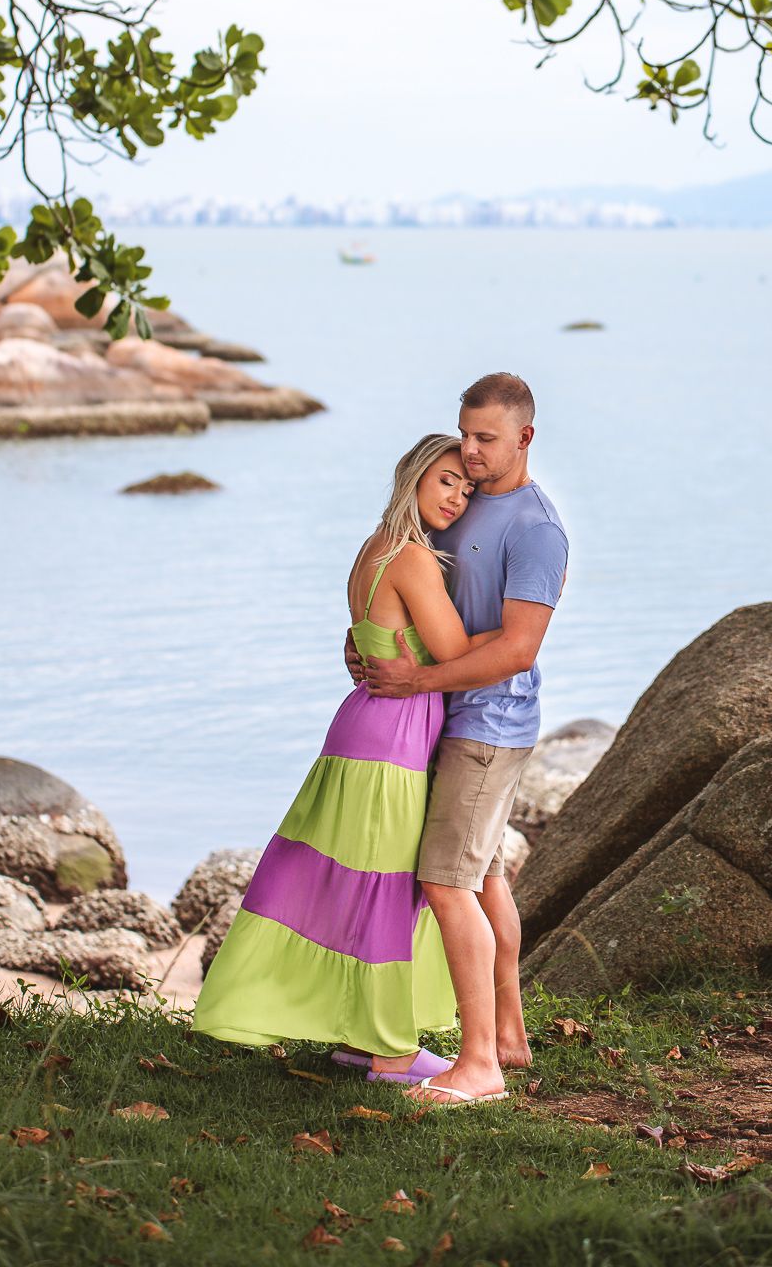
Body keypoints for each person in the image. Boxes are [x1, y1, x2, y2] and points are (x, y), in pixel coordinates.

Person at [193, 434, 498, 1081]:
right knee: (385, 888)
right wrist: (522, 622)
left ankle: (360, 1036)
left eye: (465, 488)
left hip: (367, 729)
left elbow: (375, 634)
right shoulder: (414, 559)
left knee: (364, 884)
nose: (457, 496)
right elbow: (452, 652)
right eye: (446, 480)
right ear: (412, 477)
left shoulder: (372, 548)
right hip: (388, 741)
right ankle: (387, 1050)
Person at [363, 372, 568, 1106]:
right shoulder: (464, 497)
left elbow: (519, 648)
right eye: (466, 434)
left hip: (490, 723)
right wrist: (371, 644)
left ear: (524, 438)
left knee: (445, 882)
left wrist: (416, 679)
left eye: (487, 439)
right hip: (446, 716)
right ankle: (507, 1036)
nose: (471, 452)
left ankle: (477, 1066)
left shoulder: (536, 529)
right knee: (482, 877)